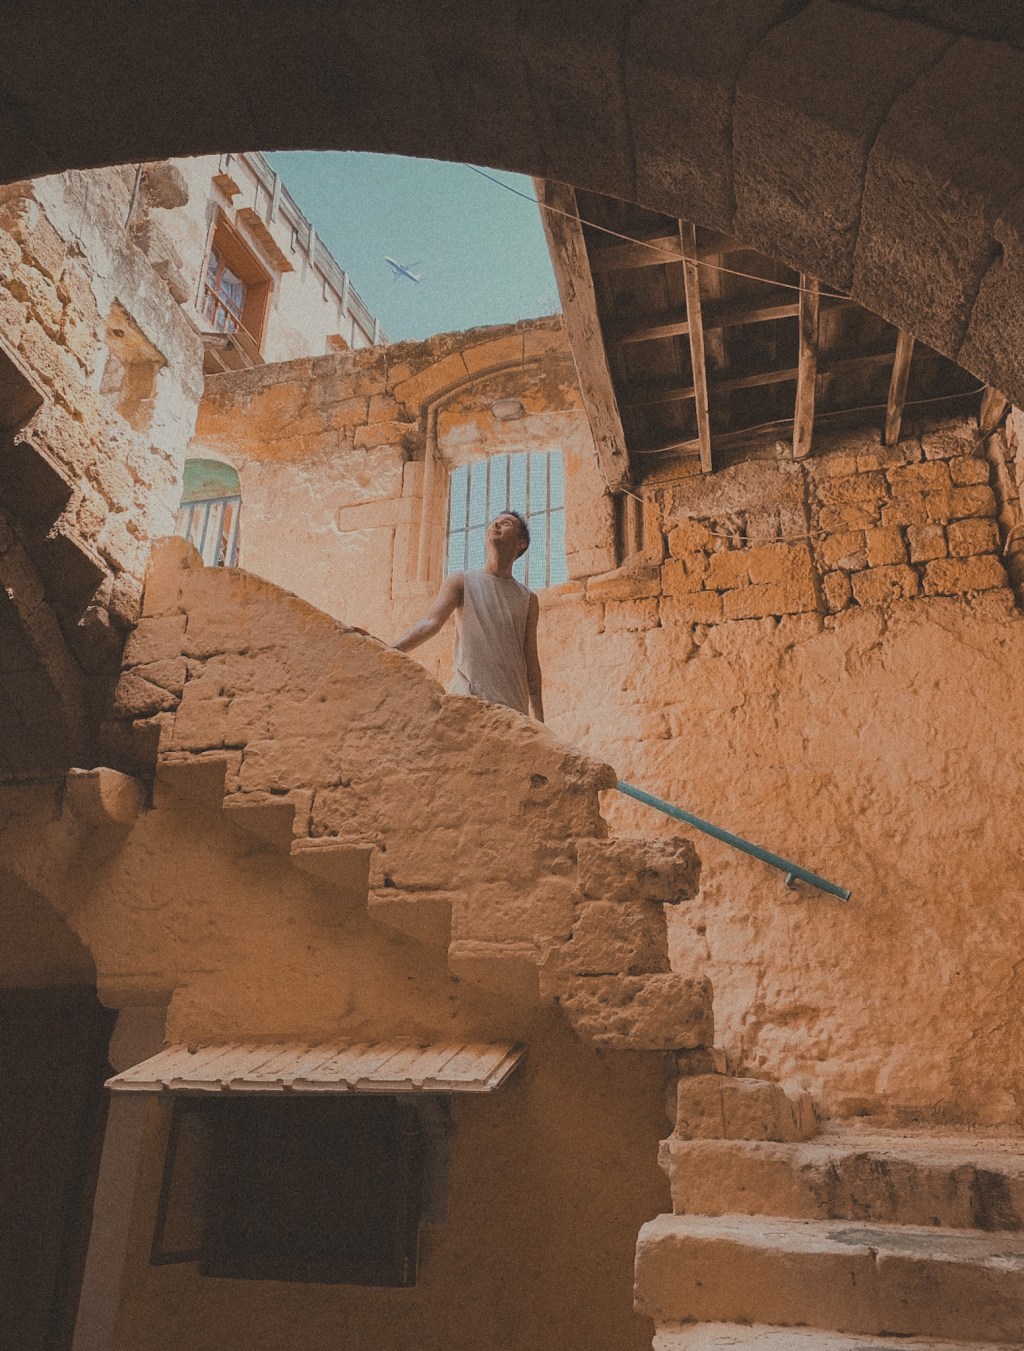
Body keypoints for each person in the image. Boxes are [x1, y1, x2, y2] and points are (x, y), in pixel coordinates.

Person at [392, 510, 544, 721]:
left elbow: (531, 662)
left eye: (506, 523)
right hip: (468, 702)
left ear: (521, 544)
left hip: (513, 708)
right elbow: (431, 623)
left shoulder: (527, 599)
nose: (496, 525)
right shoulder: (461, 581)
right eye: (494, 522)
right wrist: (390, 650)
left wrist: (539, 723)